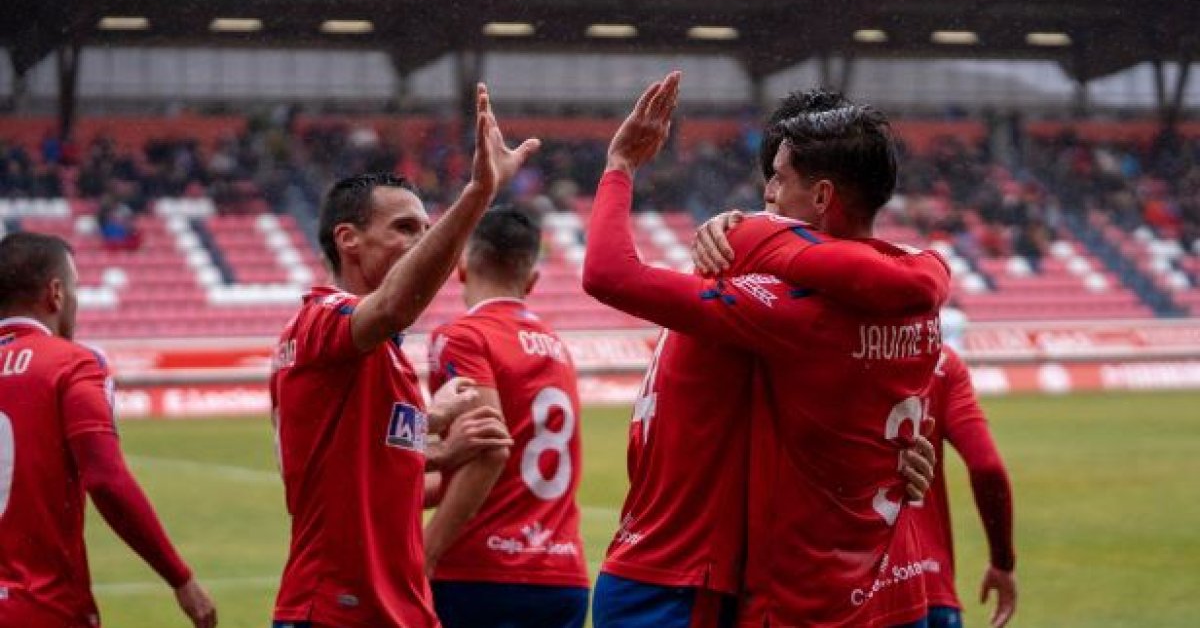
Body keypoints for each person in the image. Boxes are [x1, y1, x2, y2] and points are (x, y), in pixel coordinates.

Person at [583, 72, 948, 628]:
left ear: (823, 194)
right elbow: (914, 282)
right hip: (838, 583)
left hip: (695, 578)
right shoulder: (913, 307)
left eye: (777, 180)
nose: (765, 196)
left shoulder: (779, 305)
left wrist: (622, 168)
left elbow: (610, 273)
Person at [269, 84, 538, 628]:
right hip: (336, 607)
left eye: (425, 226)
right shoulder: (322, 319)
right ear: (348, 239)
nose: (422, 240)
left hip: (399, 606)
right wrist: (478, 194)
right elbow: (394, 305)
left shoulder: (375, 351)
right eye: (404, 229)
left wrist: (432, 434)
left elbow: (359, 469)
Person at [0, 231, 216, 628]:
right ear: (56, 294)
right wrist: (180, 578)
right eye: (75, 287)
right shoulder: (72, 364)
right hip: (42, 606)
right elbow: (106, 480)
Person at [424, 205, 590, 628]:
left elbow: (488, 447)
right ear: (531, 280)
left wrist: (424, 553)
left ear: (462, 267)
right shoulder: (556, 346)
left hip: (483, 571)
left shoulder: (462, 337)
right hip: (562, 574)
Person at [913, 345, 1017, 628]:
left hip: (847, 586)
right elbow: (988, 468)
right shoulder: (943, 362)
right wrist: (1002, 562)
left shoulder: (821, 353)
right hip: (930, 584)